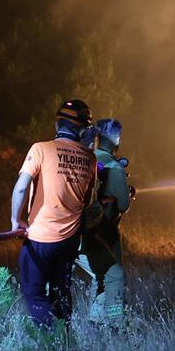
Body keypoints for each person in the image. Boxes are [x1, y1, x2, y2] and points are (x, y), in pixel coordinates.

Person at [9, 98, 98, 326]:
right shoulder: (90, 158)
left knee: (33, 292)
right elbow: (86, 202)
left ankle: (50, 339)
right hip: (70, 241)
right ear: (83, 129)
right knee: (61, 293)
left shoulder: (41, 149)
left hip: (40, 237)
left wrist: (15, 220)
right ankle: (64, 340)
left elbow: (21, 186)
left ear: (58, 125)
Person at [76, 118, 134, 327]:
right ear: (117, 140)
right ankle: (115, 323)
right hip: (101, 236)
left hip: (74, 232)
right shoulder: (114, 167)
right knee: (113, 277)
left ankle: (95, 321)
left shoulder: (86, 158)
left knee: (98, 276)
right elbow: (123, 205)